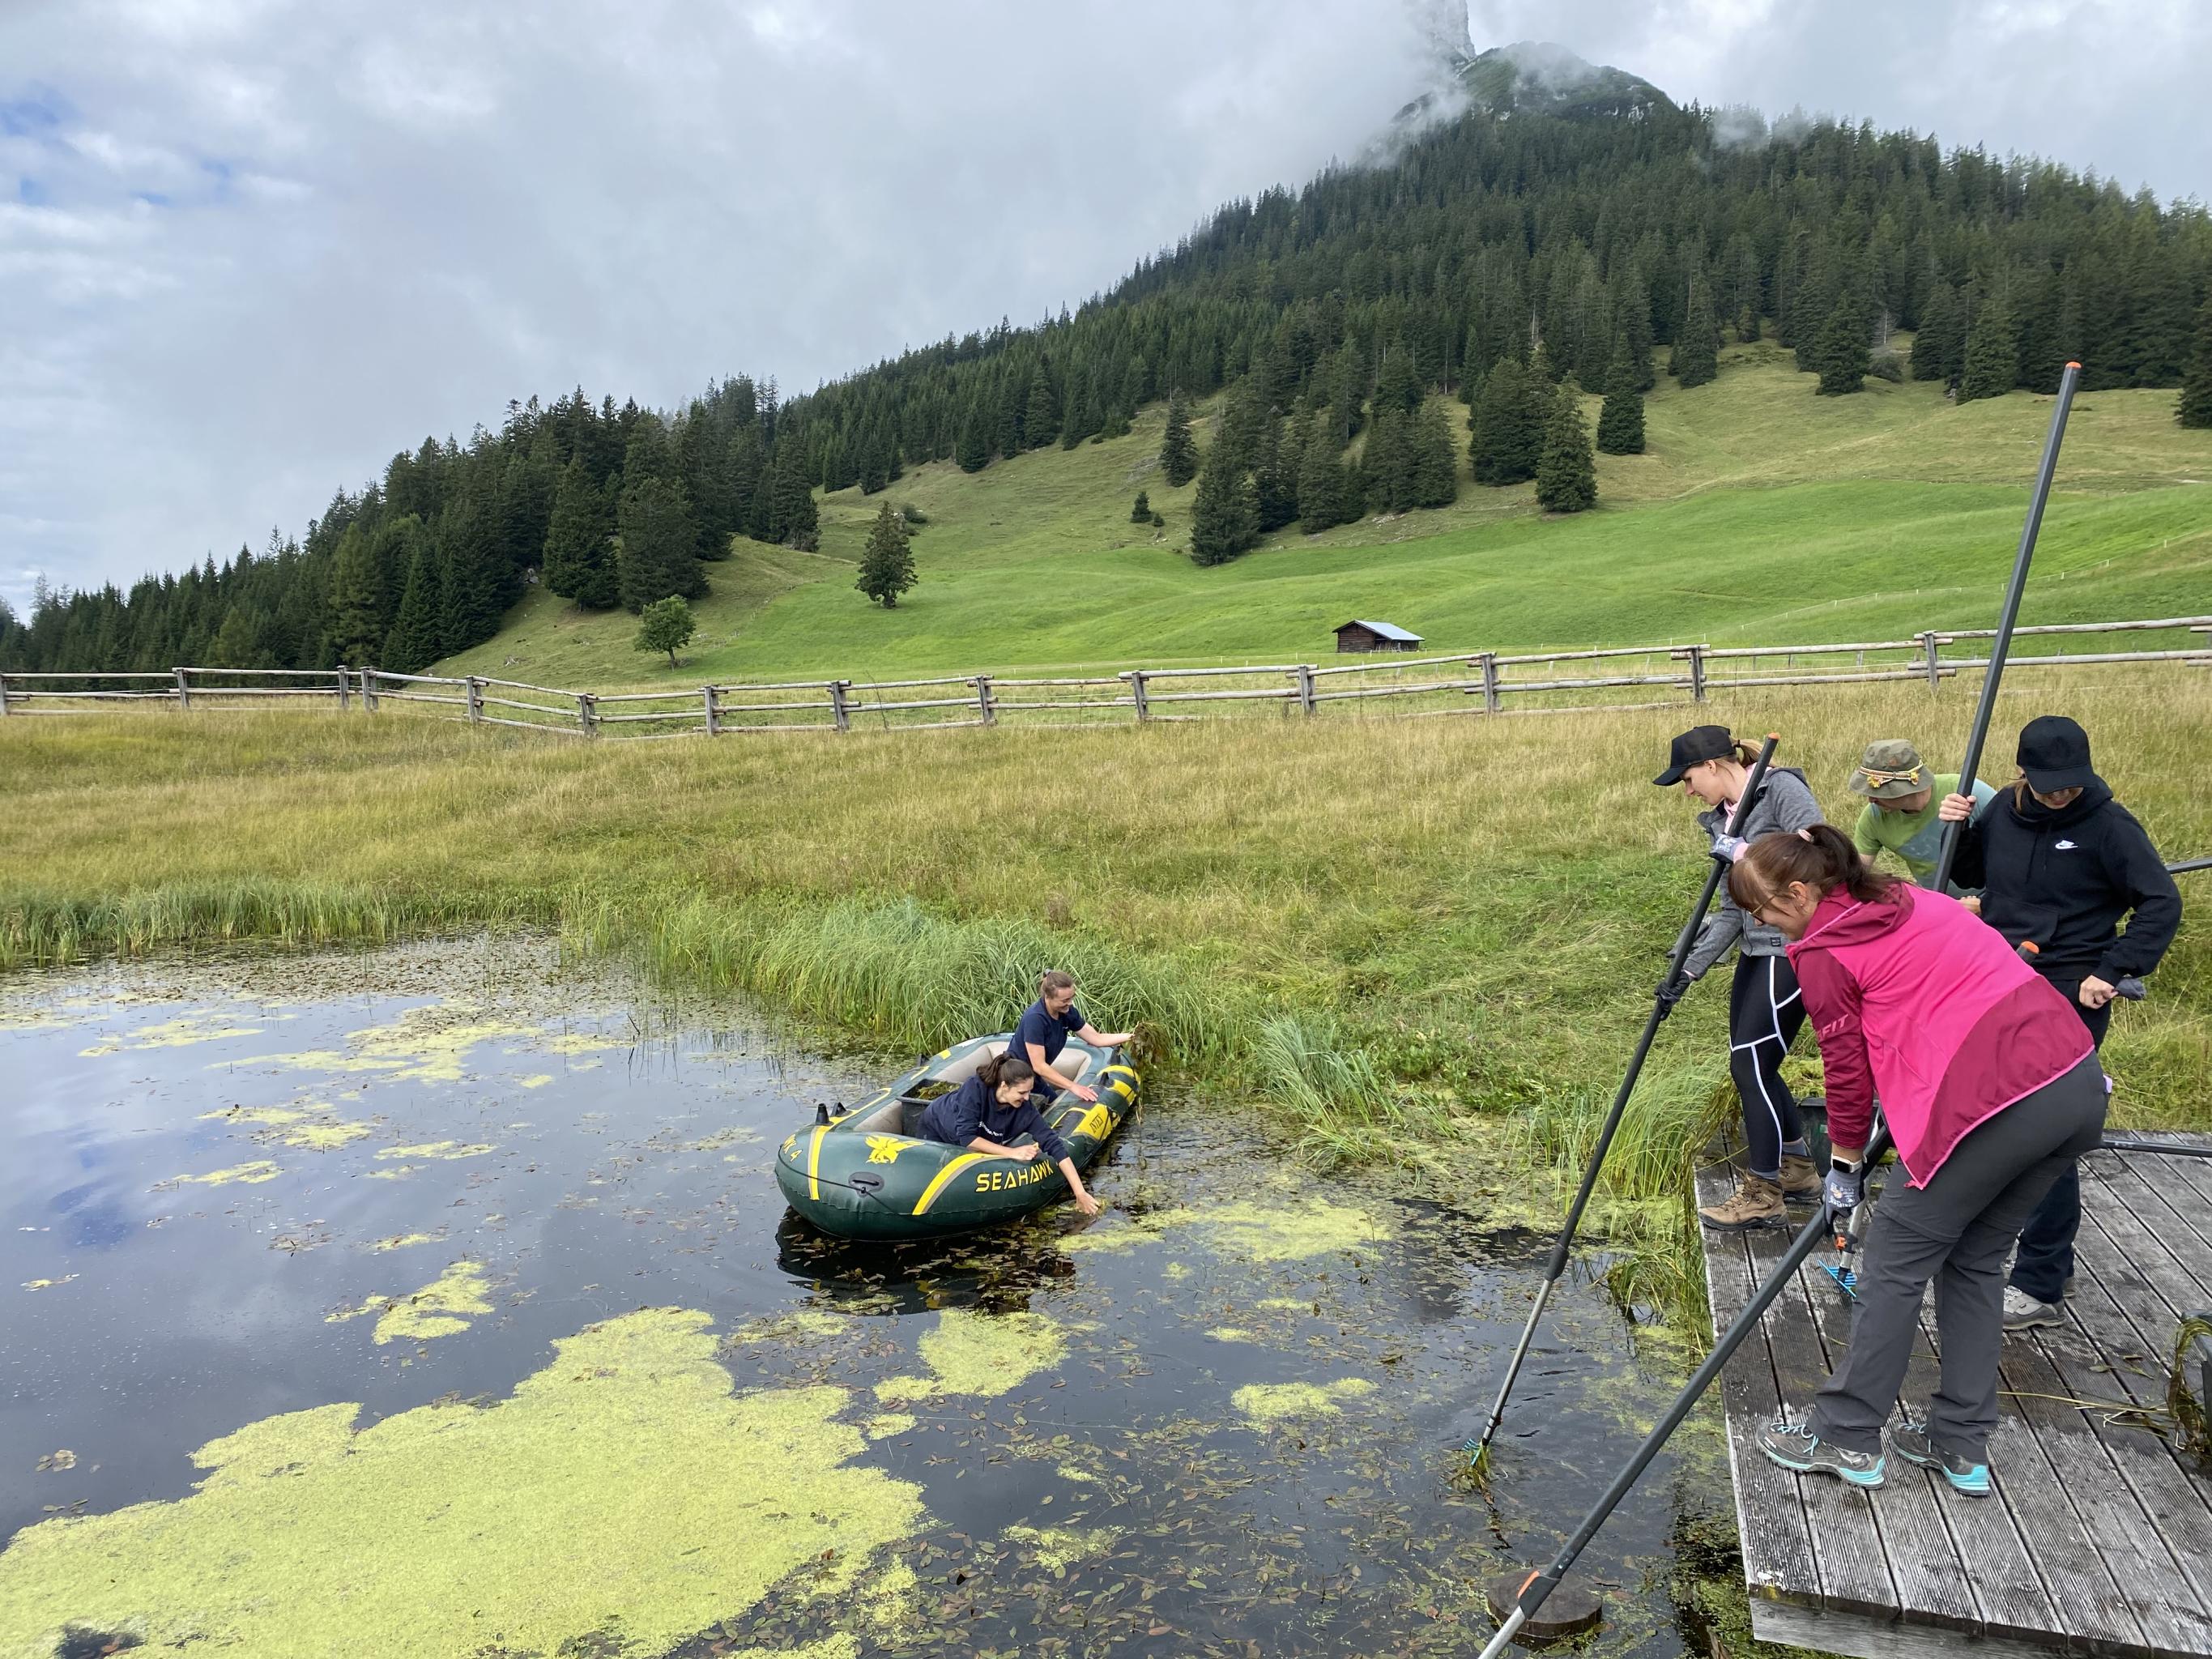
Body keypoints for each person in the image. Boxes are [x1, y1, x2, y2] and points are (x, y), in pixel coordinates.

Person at [1733, 825, 2103, 1497]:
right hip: (2074, 1081)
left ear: (1798, 891)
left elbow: (1847, 1074)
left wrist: (1843, 1167)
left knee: (1893, 1265)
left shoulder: (1822, 950)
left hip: (1990, 1103)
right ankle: (1957, 1443)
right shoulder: (1910, 899)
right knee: (1974, 1261)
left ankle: (1845, 1435)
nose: (1760, 923)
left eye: (1762, 909)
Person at [1937, 714, 2180, 1331]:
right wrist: (1958, 828)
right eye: (2048, 784)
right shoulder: (2003, 813)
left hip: (2070, 991)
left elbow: (2160, 902)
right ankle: (2012, 1252)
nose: (2059, 794)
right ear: (2022, 774)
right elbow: (1974, 875)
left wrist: (2114, 967)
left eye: (2070, 783)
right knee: (1993, 1120)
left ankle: (2039, 1283)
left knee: (2041, 1131)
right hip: (1998, 976)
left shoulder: (2108, 825)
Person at [1652, 725, 1826, 1230]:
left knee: (1752, 1065)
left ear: (1712, 765)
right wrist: (1687, 969)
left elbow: (1819, 860)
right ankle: (1795, 1170)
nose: (1688, 793)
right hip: (1755, 948)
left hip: (1793, 945)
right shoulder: (1723, 820)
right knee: (1752, 1065)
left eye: (1687, 779)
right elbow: (1731, 909)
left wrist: (1745, 854)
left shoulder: (1781, 790)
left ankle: (1764, 1193)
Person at [918, 1051, 1102, 1217]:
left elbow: (1055, 1146)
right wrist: (1013, 1152)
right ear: (1004, 1086)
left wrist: (1080, 1193)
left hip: (972, 1140)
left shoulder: (1025, 1109)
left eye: (1030, 1092)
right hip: (937, 1127)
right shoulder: (975, 1088)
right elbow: (968, 1138)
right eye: (1022, 1092)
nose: (1027, 1097)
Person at [1845, 738, 1996, 891]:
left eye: (1878, 791)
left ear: (1906, 787)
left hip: (1995, 901)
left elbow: (2013, 843)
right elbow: (1856, 873)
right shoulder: (1873, 819)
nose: (1871, 799)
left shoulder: (1968, 791)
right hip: (1939, 905)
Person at [1011, 970, 1132, 1107]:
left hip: (1035, 1079)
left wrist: (1130, 1036)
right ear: (1048, 997)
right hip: (1015, 1078)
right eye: (1065, 1000)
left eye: (1072, 997)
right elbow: (1039, 1066)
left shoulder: (1067, 1012)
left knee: (1054, 1105)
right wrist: (1074, 1087)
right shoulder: (1036, 1019)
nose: (1070, 1003)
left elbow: (1096, 1038)